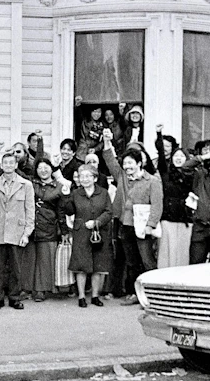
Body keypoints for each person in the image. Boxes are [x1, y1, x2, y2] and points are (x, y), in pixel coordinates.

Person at [103, 130, 162, 306]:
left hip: (143, 226)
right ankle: (135, 293)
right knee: (131, 261)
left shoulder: (152, 181)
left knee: (147, 260)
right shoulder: (121, 176)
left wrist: (151, 225)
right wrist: (107, 141)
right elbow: (109, 158)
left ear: (139, 163)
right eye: (125, 163)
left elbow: (157, 205)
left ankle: (154, 295)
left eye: (131, 163)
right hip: (125, 224)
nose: (127, 166)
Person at [0, 150, 36, 310]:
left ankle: (15, 297)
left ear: (16, 165)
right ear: (1, 165)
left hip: (17, 230)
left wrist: (27, 232)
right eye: (5, 163)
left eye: (11, 163)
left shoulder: (25, 184)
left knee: (16, 267)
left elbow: (30, 210)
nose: (8, 165)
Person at [62, 164, 113, 308]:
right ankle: (81, 296)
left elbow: (109, 212)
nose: (84, 179)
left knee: (98, 264)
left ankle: (95, 296)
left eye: (87, 176)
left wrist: (97, 222)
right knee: (81, 265)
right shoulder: (76, 193)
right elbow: (69, 211)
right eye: (81, 176)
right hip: (81, 232)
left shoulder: (103, 193)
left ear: (95, 178)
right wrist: (66, 196)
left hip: (99, 232)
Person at [154, 125, 195, 268]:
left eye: (182, 156)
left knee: (183, 252)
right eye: (176, 156)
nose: (178, 158)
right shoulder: (165, 171)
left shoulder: (192, 175)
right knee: (166, 251)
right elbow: (160, 150)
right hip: (168, 215)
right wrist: (159, 133)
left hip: (185, 217)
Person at [25, 157, 64, 302]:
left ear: (51, 168)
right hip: (31, 223)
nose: (43, 170)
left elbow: (61, 209)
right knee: (29, 258)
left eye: (46, 167)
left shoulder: (59, 186)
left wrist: (64, 230)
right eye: (40, 167)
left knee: (45, 259)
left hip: (48, 224)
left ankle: (42, 289)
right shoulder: (31, 183)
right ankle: (28, 287)